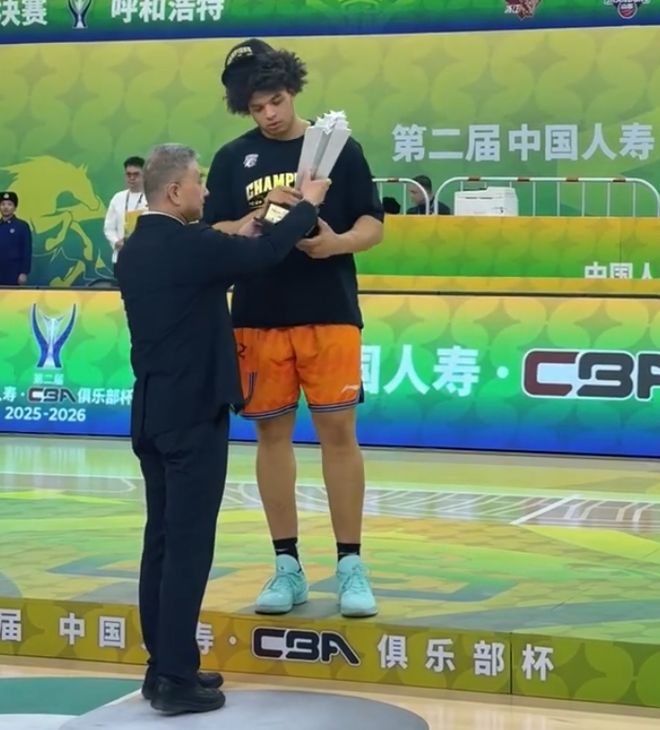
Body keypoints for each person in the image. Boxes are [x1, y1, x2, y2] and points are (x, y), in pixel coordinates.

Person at [115, 143, 328, 716]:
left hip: (152, 411)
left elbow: (240, 242)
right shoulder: (191, 246)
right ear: (175, 191)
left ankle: (164, 666)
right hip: (192, 415)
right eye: (199, 182)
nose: (206, 191)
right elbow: (263, 255)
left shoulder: (137, 249)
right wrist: (307, 206)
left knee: (161, 542)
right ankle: (175, 678)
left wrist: (270, 210)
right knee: (187, 547)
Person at [204, 38, 384, 618]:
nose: (269, 115)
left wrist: (336, 243)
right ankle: (287, 566)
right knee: (271, 437)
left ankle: (350, 566)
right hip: (257, 315)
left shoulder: (338, 147)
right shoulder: (233, 158)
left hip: (329, 310)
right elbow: (215, 231)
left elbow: (374, 223)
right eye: (257, 108)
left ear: (293, 90)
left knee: (339, 433)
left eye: (276, 102)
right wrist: (259, 215)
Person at [103, 156, 149, 264]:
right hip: (121, 256)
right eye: (128, 174)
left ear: (144, 175)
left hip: (146, 256)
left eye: (136, 174)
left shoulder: (152, 198)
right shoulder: (118, 198)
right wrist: (116, 242)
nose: (132, 178)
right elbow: (109, 228)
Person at [0, 191, 32, 286]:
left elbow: (27, 250)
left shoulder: (22, 226)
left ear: (15, 207)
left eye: (9, 204)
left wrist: (24, 272)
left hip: (14, 272)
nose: (6, 207)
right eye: (3, 204)